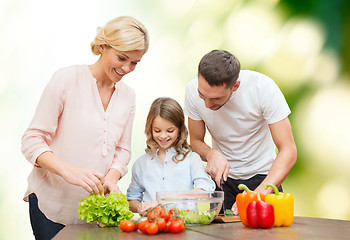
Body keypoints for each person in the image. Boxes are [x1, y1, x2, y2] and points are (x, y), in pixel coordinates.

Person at [21, 16, 149, 240]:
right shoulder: (66, 79)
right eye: (122, 58)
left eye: (135, 62)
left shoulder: (128, 96)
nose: (127, 68)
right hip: (52, 207)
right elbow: (32, 140)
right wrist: (68, 171)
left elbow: (122, 150)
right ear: (102, 47)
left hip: (95, 212)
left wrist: (112, 177)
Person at [184, 50, 297, 215]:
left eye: (216, 99)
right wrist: (211, 154)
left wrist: (260, 192)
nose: (207, 104)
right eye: (202, 95)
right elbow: (195, 141)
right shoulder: (192, 90)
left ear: (235, 86)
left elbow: (288, 150)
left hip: (265, 178)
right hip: (222, 181)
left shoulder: (263, 88)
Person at [127, 97, 215, 213]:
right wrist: (141, 207)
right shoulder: (140, 164)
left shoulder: (191, 159)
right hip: (153, 225)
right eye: (157, 131)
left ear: (179, 129)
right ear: (150, 129)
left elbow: (206, 191)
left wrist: (169, 198)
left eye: (170, 131)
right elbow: (132, 199)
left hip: (184, 226)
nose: (163, 136)